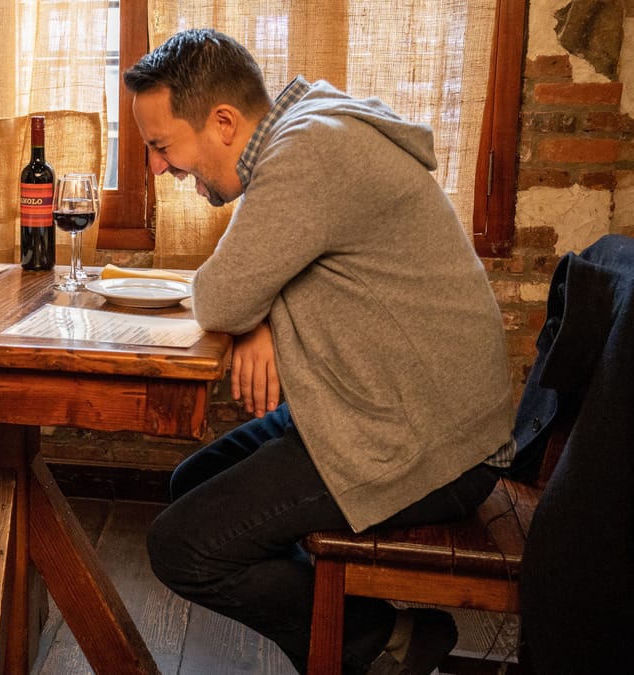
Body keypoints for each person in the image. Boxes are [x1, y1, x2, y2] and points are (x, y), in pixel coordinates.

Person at [125, 29, 515, 675]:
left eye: (161, 146)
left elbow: (220, 298)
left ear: (222, 122)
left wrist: (252, 312)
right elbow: (254, 289)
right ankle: (356, 637)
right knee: (190, 484)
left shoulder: (308, 151)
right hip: (384, 411)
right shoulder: (310, 129)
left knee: (185, 547)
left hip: (426, 443)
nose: (158, 167)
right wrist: (262, 320)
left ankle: (378, 640)